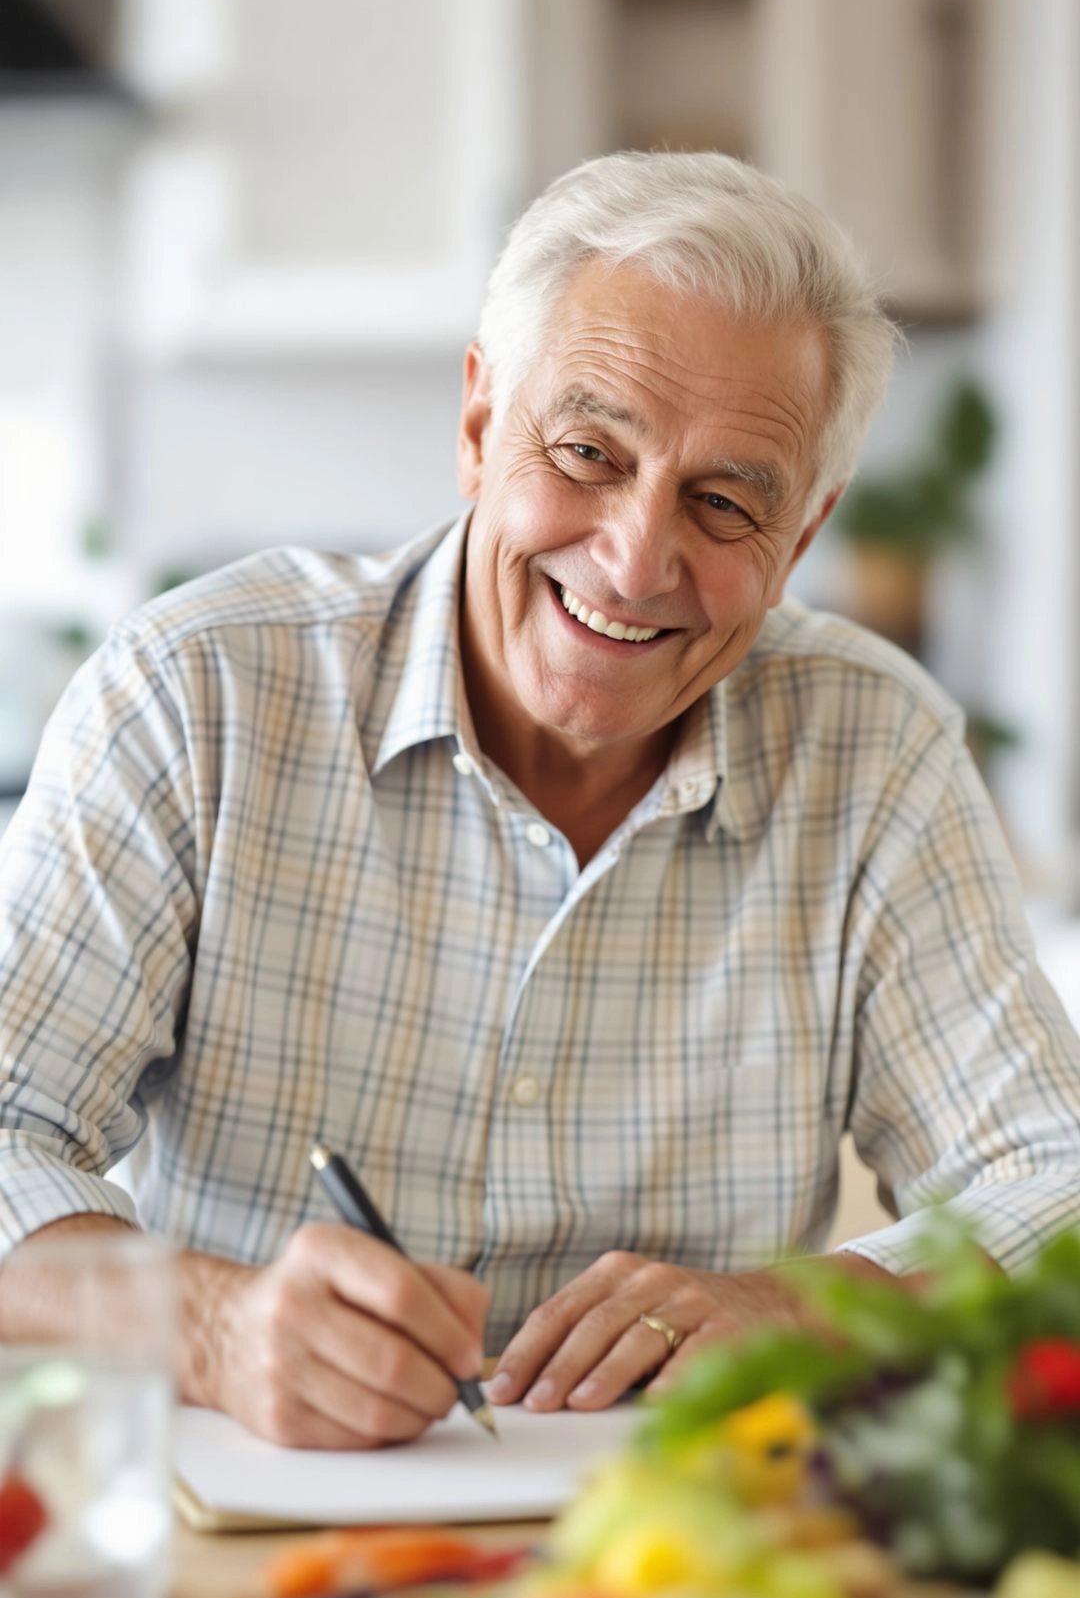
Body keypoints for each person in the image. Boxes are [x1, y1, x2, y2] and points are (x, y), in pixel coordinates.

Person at [2, 152, 1079, 1451]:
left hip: (688, 1550)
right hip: (255, 1522)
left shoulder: (876, 748)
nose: (633, 559)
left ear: (802, 539)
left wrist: (823, 1306)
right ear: (477, 423)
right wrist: (212, 1326)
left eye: (725, 502)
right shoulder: (191, 694)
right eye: (587, 452)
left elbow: (1053, 1184)